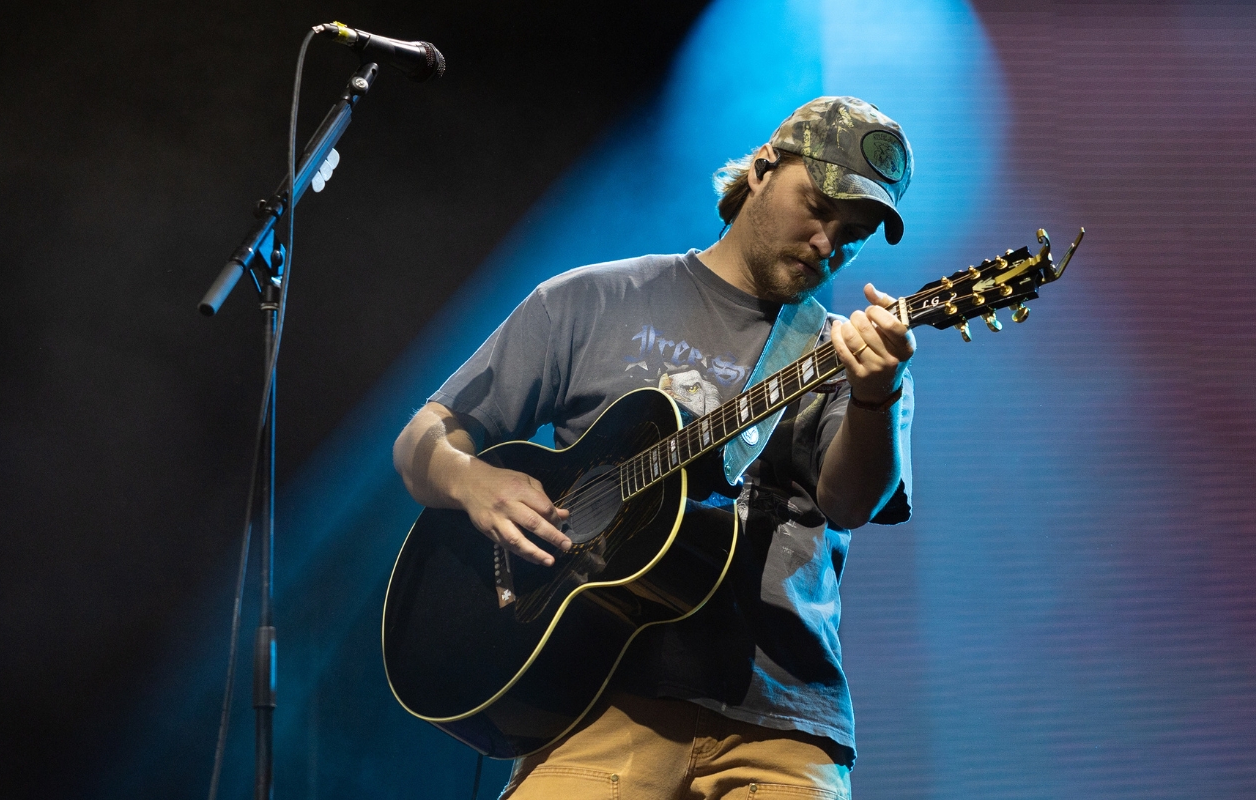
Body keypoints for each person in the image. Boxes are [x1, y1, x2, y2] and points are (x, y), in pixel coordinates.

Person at [392, 96, 917, 800]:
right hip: (597, 700)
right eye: (819, 206)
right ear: (762, 169)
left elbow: (850, 502)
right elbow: (423, 438)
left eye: (853, 232)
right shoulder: (588, 300)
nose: (830, 242)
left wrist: (878, 393)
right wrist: (470, 480)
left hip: (785, 723)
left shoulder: (851, 359)